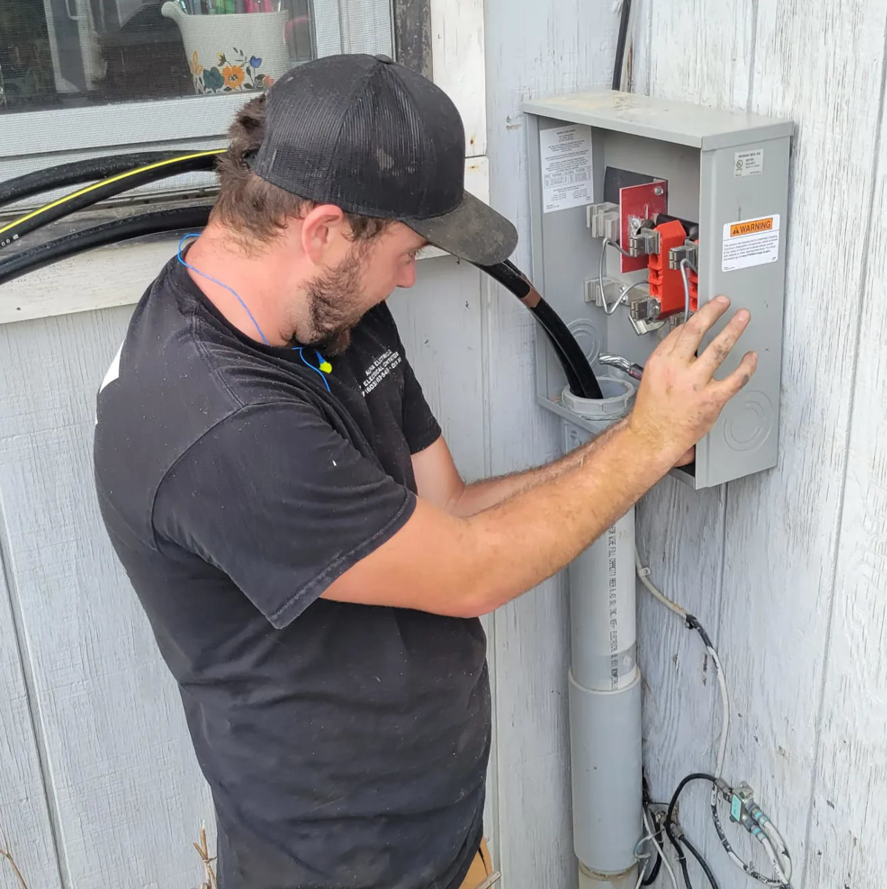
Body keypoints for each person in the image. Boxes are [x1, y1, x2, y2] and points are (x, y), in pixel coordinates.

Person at [92, 53, 757, 889]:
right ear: (327, 229)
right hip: (335, 868)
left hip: (439, 839)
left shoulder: (333, 314)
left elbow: (451, 509)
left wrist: (639, 436)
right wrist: (645, 445)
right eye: (407, 249)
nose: (412, 274)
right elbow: (472, 571)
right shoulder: (213, 424)